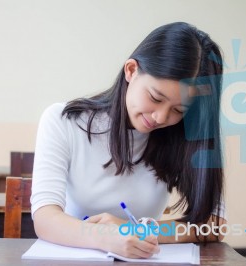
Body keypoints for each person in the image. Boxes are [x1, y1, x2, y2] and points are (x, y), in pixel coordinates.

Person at [31, 21, 226, 259]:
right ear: (131, 71)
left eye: (179, 110)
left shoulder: (182, 137)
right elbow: (45, 219)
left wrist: (138, 230)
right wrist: (105, 236)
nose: (161, 117)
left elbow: (214, 224)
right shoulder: (64, 121)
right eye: (155, 97)